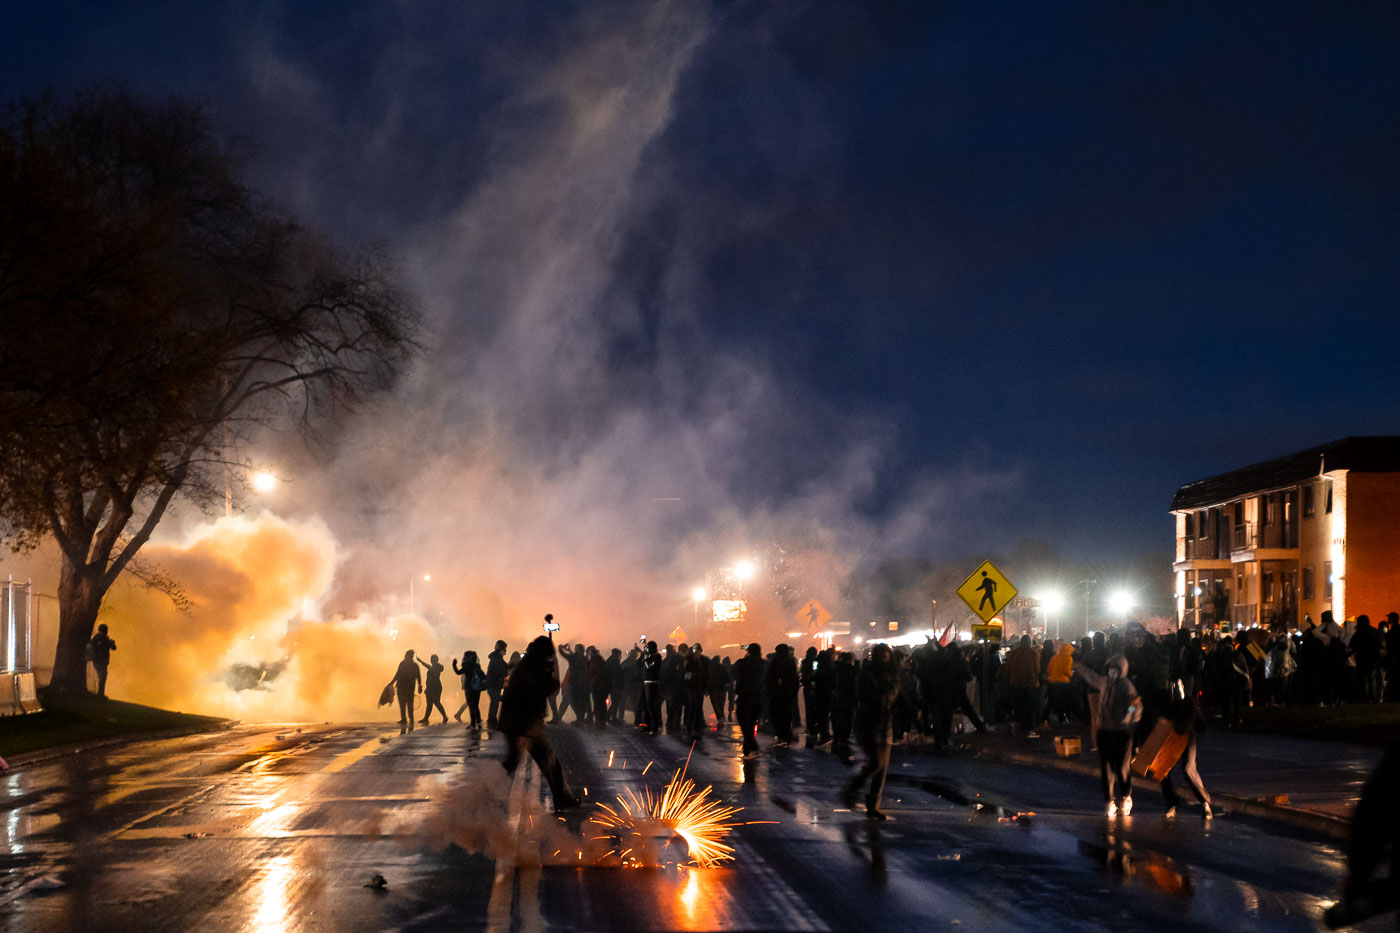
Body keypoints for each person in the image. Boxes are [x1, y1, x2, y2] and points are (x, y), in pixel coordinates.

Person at [498, 635, 580, 810]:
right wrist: (551, 677)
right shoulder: (531, 668)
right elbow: (541, 690)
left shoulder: (528, 665)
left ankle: (562, 798)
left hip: (521, 725)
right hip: (523, 726)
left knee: (543, 763)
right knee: (546, 763)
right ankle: (484, 794)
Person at [1077, 653, 1141, 817]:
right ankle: (1109, 801)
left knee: (1121, 768)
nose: (1112, 671)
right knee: (1106, 769)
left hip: (1121, 732)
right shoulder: (1105, 683)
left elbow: (1135, 705)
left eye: (1115, 668)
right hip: (1105, 731)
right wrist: (1078, 667)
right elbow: (1092, 677)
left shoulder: (1126, 686)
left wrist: (1128, 717)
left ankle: (1126, 796)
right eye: (1110, 668)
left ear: (1122, 670)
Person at [843, 643, 900, 819]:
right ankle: (852, 789)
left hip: (886, 723)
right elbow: (861, 695)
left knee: (882, 769)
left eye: (886, 652)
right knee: (876, 763)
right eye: (880, 652)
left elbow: (900, 698)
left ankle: (873, 806)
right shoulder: (867, 673)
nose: (884, 655)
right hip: (869, 721)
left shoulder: (895, 674)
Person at [1159, 695, 1212, 820]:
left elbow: (1203, 727)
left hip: (1188, 739)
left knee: (1189, 769)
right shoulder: (1173, 708)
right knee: (1163, 769)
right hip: (1172, 739)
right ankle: (1171, 802)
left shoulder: (1191, 710)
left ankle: (1204, 801)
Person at [733, 643, 766, 760]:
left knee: (744, 724)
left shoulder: (742, 663)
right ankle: (752, 749)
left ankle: (749, 750)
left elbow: (734, 672)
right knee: (751, 724)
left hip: (744, 697)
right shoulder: (764, 664)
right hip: (758, 698)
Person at [766, 644, 798, 746]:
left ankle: (782, 736)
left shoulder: (775, 662)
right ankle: (786, 736)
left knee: (775, 715)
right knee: (786, 716)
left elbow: (769, 678)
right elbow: (794, 679)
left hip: (778, 694)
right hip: (787, 694)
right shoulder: (790, 662)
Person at [387, 649, 423, 732]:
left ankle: (407, 719)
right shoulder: (413, 665)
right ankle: (407, 718)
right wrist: (419, 686)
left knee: (406, 704)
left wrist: (392, 682)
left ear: (408, 656)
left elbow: (398, 674)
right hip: (406, 687)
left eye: (407, 655)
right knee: (406, 703)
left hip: (404, 687)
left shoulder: (404, 664)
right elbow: (418, 677)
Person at [453, 650, 485, 726]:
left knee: (471, 705)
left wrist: (454, 664)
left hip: (469, 688)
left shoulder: (466, 666)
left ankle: (473, 723)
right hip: (477, 688)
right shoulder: (477, 666)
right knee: (476, 705)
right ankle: (479, 722)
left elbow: (458, 672)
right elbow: (483, 676)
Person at [684, 642, 709, 738]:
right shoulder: (689, 660)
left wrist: (706, 688)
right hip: (691, 687)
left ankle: (697, 727)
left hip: (700, 687)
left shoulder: (704, 660)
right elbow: (687, 674)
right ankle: (690, 726)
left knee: (698, 707)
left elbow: (707, 674)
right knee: (692, 707)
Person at [417, 653, 448, 725]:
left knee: (436, 702)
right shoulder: (434, 667)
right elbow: (428, 666)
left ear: (436, 660)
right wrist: (421, 661)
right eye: (431, 660)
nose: (432, 661)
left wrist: (421, 661)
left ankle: (444, 716)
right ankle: (426, 718)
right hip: (431, 687)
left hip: (435, 687)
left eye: (433, 660)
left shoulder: (437, 667)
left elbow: (430, 668)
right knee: (430, 704)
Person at [640, 640, 663, 735]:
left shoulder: (657, 657)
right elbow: (640, 665)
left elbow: (649, 666)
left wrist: (646, 659)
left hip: (652, 684)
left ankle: (654, 727)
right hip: (646, 683)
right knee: (645, 706)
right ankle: (647, 725)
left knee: (651, 706)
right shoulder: (650, 657)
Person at [88, 624, 117, 698]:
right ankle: (100, 694)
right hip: (101, 660)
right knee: (102, 676)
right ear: (105, 630)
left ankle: (99, 693)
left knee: (101, 676)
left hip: (96, 659)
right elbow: (114, 647)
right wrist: (112, 643)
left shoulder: (96, 638)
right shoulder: (104, 638)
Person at [485, 640, 508, 729]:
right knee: (495, 702)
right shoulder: (497, 658)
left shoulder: (495, 657)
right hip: (494, 683)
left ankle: (492, 720)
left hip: (493, 683)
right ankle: (492, 721)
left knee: (494, 702)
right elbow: (500, 670)